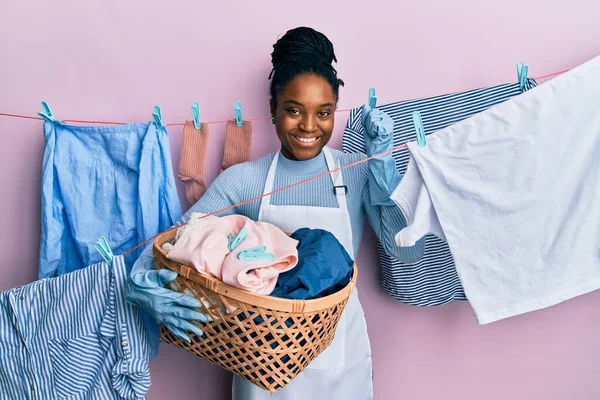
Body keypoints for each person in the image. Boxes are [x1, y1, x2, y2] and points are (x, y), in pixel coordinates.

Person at [126, 26, 423, 400]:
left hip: (340, 360)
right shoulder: (244, 181)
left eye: (324, 112)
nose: (309, 127)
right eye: (294, 110)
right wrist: (137, 284)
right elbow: (173, 243)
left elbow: (407, 251)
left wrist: (383, 162)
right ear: (273, 109)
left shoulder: (357, 172)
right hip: (260, 364)